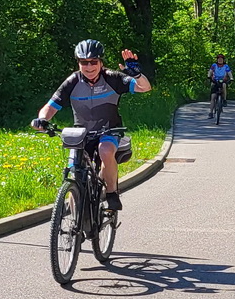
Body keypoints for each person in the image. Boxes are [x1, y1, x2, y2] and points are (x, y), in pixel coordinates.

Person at [32, 39, 151, 210]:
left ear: (101, 62)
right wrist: (42, 119)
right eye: (84, 62)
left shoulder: (113, 78)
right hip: (82, 133)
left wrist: (137, 74)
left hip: (109, 129)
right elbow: (51, 106)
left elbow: (144, 88)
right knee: (74, 172)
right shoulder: (73, 81)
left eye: (93, 62)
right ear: (78, 63)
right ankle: (75, 222)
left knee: (105, 151)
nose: (89, 67)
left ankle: (111, 193)